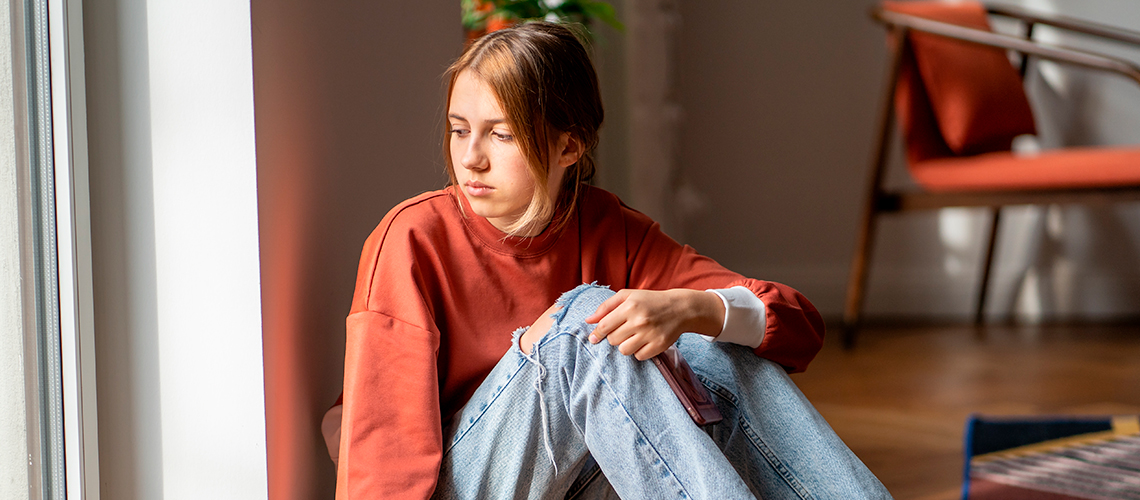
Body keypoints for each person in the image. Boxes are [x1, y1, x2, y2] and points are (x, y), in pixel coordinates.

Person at [336, 21, 890, 500]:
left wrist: (691, 308)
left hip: (585, 481)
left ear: (569, 148)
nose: (470, 158)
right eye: (459, 131)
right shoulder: (411, 237)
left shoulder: (610, 228)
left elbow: (797, 325)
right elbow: (382, 445)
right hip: (474, 482)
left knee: (714, 346)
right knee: (582, 323)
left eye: (500, 135)